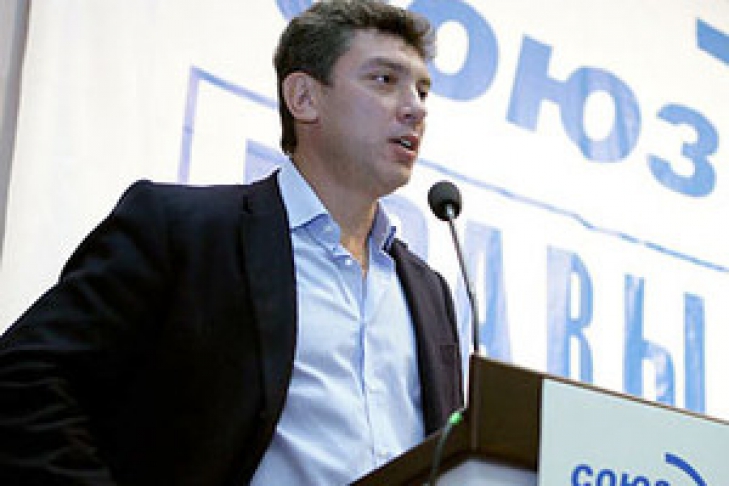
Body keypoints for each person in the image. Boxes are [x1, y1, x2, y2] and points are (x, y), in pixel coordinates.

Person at [0, 1, 464, 484]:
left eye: (422, 90)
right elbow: (24, 382)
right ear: (304, 97)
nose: (415, 108)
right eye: (384, 80)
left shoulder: (429, 292)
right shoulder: (182, 231)